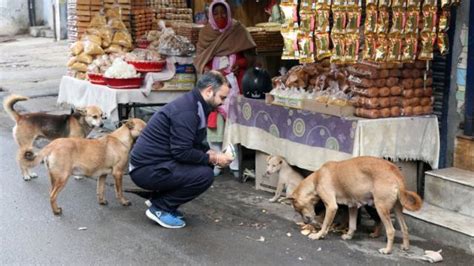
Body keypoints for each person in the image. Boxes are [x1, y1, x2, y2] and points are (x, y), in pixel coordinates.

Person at [129, 71, 234, 229]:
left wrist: (209, 153)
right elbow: (182, 152)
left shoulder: (195, 104)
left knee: (205, 166)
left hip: (155, 164)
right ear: (209, 91)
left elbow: (192, 142)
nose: (222, 103)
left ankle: (158, 199)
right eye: (222, 97)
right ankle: (160, 208)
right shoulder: (187, 111)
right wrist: (214, 158)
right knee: (204, 175)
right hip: (145, 169)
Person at [194, 0, 256, 177]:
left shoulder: (237, 30)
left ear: (229, 13)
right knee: (213, 126)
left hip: (233, 86)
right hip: (212, 86)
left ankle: (234, 164)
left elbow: (249, 56)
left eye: (223, 13)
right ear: (210, 16)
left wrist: (240, 65)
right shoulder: (206, 33)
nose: (220, 17)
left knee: (232, 127)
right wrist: (209, 70)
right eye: (216, 13)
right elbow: (202, 58)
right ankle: (216, 163)